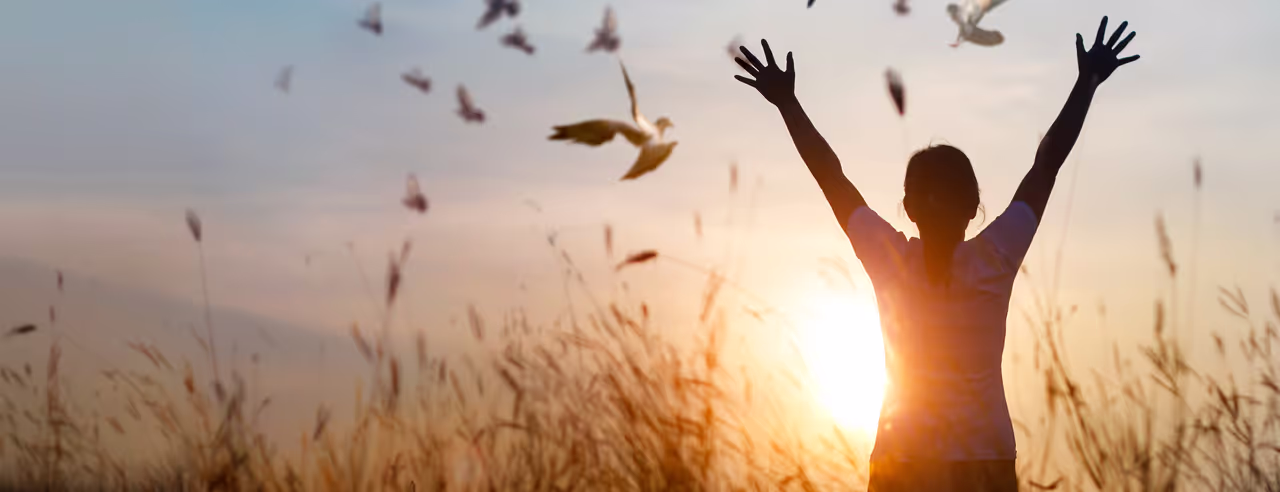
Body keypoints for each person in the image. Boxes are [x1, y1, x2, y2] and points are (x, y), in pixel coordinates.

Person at [734, 16, 1139, 491]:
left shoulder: (890, 259)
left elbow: (832, 176)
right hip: (981, 461)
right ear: (973, 206)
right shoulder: (995, 255)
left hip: (903, 462)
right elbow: (1045, 165)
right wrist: (1086, 83)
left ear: (907, 208)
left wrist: (787, 104)